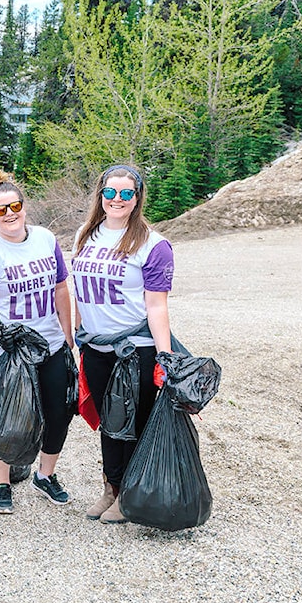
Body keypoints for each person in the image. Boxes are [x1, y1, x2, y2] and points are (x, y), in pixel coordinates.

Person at [0, 171, 75, 514]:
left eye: (15, 206)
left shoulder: (44, 239)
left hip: (49, 345)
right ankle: (2, 482)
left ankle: (45, 474)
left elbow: (60, 289)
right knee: (6, 420)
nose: (10, 213)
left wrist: (69, 337)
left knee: (59, 413)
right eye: (1, 210)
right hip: (6, 354)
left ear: (25, 207)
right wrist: (3, 336)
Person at [71, 164, 173, 524]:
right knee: (107, 422)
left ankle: (130, 493)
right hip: (96, 347)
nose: (117, 199)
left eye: (126, 194)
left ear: (137, 198)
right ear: (100, 195)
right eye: (110, 192)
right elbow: (80, 293)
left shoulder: (153, 245)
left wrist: (165, 357)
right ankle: (110, 487)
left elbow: (157, 304)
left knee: (132, 422)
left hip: (134, 350)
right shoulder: (87, 234)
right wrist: (78, 335)